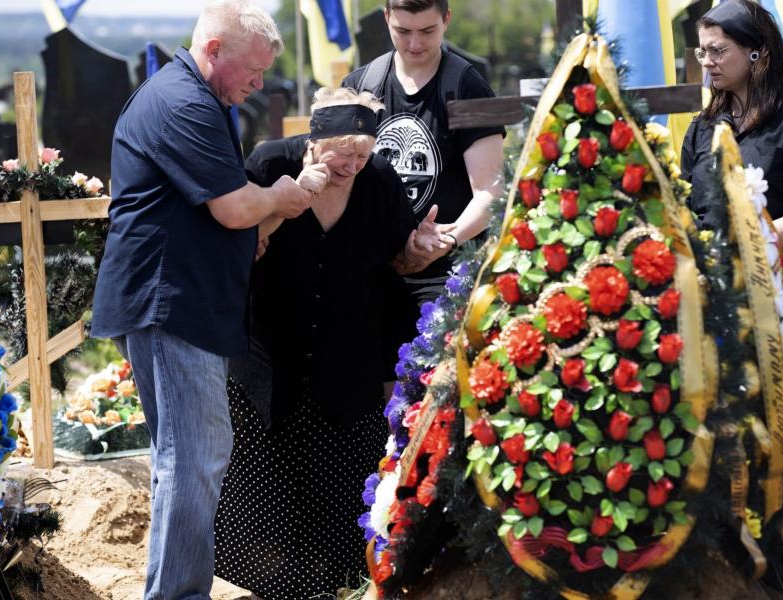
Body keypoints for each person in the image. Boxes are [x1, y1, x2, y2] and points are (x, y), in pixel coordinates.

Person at [89, 2, 312, 598]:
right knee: (196, 459)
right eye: (253, 70)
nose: (259, 84)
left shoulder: (202, 97)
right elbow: (235, 205)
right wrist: (282, 196)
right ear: (213, 50)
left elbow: (211, 213)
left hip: (178, 298)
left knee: (182, 460)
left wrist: (245, 239)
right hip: (172, 304)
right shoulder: (184, 101)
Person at [212, 87, 443, 600]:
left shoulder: (378, 178)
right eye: (345, 157)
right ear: (315, 143)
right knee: (258, 497)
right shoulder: (271, 163)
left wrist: (418, 249)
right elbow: (234, 251)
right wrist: (289, 201)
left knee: (341, 503)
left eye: (363, 155)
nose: (355, 167)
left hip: (348, 367)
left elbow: (399, 261)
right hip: (269, 363)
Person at [341, 0, 505, 383]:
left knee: (435, 395)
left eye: (427, 31)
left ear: (446, 20)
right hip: (375, 270)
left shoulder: (467, 86)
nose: (414, 43)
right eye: (402, 31)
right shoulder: (361, 86)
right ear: (386, 19)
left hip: (443, 275)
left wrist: (444, 238)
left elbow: (491, 189)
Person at [681, 0, 783, 331]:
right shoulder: (703, 126)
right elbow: (684, 200)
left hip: (782, 295)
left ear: (756, 50)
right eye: (702, 53)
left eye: (718, 51)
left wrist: (747, 242)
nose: (708, 62)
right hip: (711, 293)